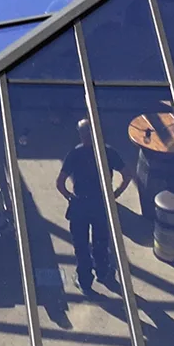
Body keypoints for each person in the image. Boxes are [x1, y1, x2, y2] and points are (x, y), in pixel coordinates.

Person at [57, 117, 118, 292]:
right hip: (100, 203)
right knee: (101, 240)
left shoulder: (74, 154)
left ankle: (84, 281)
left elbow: (60, 183)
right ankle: (103, 272)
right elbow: (127, 175)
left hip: (80, 206)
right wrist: (115, 195)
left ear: (81, 134)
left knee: (81, 245)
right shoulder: (108, 152)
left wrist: (70, 197)